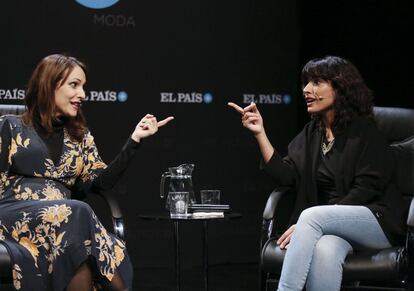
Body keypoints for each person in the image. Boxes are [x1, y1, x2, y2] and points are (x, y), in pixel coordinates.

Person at [228, 55, 405, 291]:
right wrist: (260, 133)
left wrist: (312, 222)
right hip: (329, 228)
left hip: (376, 221)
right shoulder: (313, 132)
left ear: (341, 88)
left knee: (310, 217)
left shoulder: (365, 131)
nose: (307, 90)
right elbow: (287, 175)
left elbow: (366, 189)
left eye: (317, 82)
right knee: (326, 250)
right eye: (306, 83)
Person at [0, 54, 174, 291]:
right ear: (49, 84)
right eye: (74, 85)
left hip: (67, 224)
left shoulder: (79, 137)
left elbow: (101, 182)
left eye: (83, 86)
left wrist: (134, 141)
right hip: (12, 215)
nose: (82, 94)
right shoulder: (10, 126)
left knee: (76, 239)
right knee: (79, 213)